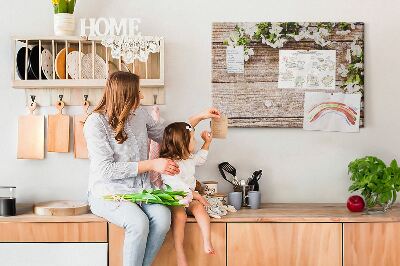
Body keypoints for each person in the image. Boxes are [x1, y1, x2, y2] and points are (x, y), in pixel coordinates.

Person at [83, 71, 220, 266]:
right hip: (108, 194)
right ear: (125, 94)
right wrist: (151, 164)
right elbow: (106, 169)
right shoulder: (96, 123)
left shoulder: (139, 114)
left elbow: (170, 135)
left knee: (163, 219)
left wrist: (199, 117)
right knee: (138, 223)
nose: (142, 96)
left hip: (142, 191)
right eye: (138, 92)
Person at [160, 122, 215, 266]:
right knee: (180, 215)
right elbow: (175, 184)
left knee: (200, 209)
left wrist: (207, 142)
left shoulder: (189, 158)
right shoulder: (168, 162)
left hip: (189, 197)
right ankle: (180, 252)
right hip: (175, 198)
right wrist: (196, 195)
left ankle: (207, 240)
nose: (195, 142)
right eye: (193, 139)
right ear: (182, 143)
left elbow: (201, 159)